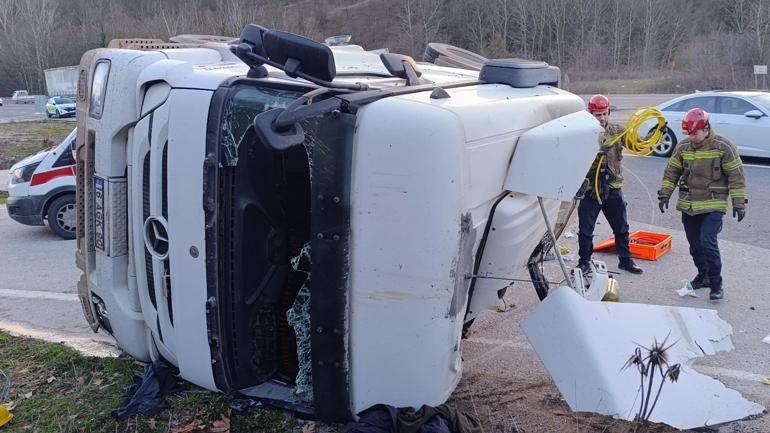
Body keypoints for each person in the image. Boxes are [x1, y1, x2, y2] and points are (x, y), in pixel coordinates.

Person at [658, 107, 747, 300]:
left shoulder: (723, 147)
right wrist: (664, 194)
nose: (691, 137)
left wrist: (739, 203)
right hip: (689, 205)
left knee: (707, 242)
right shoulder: (683, 147)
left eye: (694, 133)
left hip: (714, 203)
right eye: (688, 133)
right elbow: (672, 172)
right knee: (695, 245)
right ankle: (703, 275)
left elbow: (736, 176)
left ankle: (716, 284)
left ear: (706, 128)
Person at [577, 95, 643, 275]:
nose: (602, 118)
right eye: (598, 115)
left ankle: (626, 260)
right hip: (591, 190)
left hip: (613, 187)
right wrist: (598, 152)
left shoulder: (616, 131)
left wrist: (653, 135)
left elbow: (636, 145)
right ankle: (584, 262)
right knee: (585, 230)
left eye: (604, 114)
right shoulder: (583, 134)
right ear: (590, 114)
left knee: (621, 228)